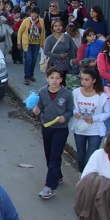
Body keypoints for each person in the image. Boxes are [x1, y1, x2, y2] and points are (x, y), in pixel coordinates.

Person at [32, 67, 74, 200]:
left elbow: (70, 110)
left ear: (61, 80)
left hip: (61, 129)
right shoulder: (42, 92)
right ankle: (58, 175)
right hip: (46, 127)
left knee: (55, 155)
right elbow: (40, 107)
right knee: (49, 155)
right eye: (52, 78)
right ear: (47, 78)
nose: (54, 80)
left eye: (57, 78)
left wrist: (65, 117)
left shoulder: (66, 94)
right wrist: (37, 111)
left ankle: (50, 186)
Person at [71, 68, 110, 172]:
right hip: (79, 129)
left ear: (94, 80)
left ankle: (86, 179)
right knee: (80, 156)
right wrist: (75, 112)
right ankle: (82, 175)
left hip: (95, 131)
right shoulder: (75, 93)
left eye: (86, 79)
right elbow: (72, 107)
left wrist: (94, 118)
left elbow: (109, 113)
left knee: (90, 158)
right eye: (81, 79)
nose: (83, 82)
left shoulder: (102, 96)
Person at [17, 7, 46, 85]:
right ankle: (26, 77)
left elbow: (42, 33)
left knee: (34, 60)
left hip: (36, 43)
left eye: (35, 13)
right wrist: (19, 43)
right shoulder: (26, 21)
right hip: (27, 43)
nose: (34, 15)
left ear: (38, 14)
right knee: (28, 59)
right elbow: (20, 32)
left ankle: (31, 75)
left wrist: (43, 43)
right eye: (32, 13)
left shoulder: (41, 21)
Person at [43, 20, 77, 85]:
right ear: (53, 28)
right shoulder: (49, 39)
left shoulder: (68, 37)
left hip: (66, 63)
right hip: (54, 64)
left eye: (59, 26)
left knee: (64, 82)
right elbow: (46, 52)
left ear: (63, 27)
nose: (58, 27)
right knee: (56, 82)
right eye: (55, 26)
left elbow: (71, 49)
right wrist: (59, 56)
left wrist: (73, 59)